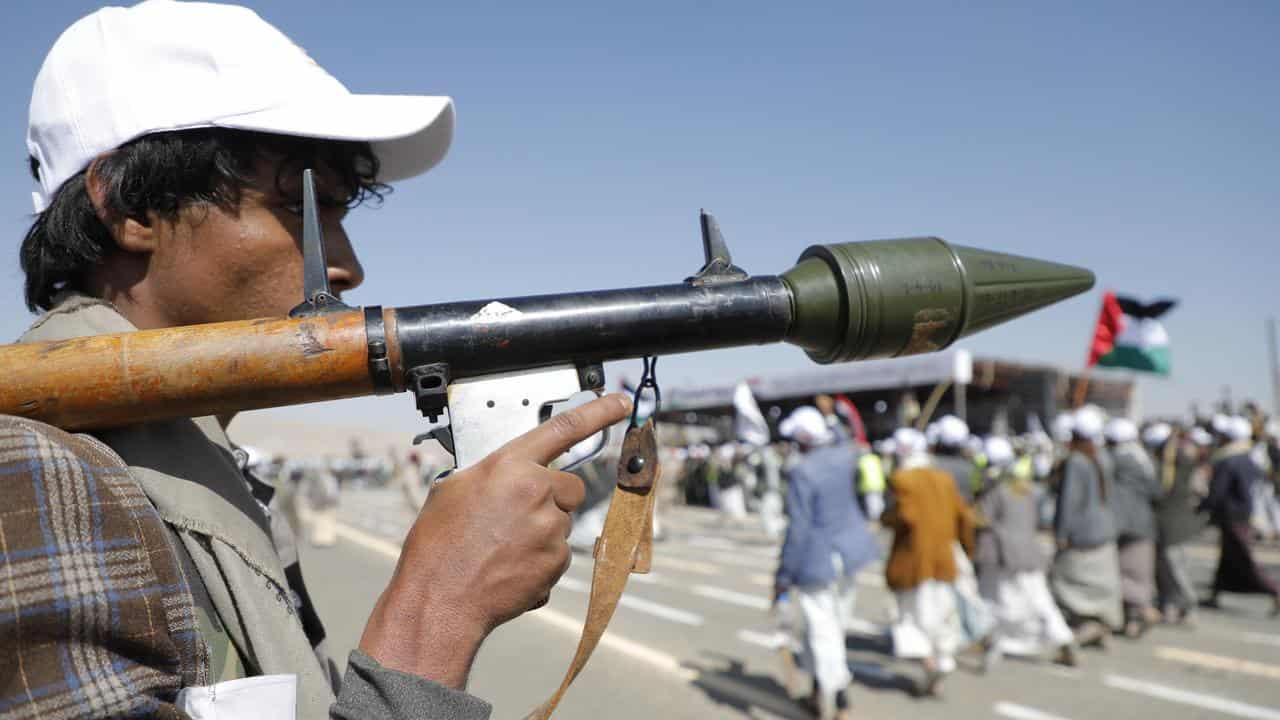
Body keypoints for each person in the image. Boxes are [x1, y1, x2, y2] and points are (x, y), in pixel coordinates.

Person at [3, 3, 633, 717]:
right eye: (302, 208)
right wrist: (434, 613)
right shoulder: (33, 470)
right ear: (131, 208)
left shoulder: (177, 457)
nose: (346, 267)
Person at [774, 407, 878, 719]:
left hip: (817, 562)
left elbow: (798, 528)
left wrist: (783, 574)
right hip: (849, 555)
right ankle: (822, 693)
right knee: (834, 628)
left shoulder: (802, 470)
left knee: (823, 633)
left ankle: (840, 701)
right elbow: (847, 436)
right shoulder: (845, 455)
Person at [883, 428, 975, 696]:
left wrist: (888, 517)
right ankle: (942, 659)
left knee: (914, 616)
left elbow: (906, 516)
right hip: (943, 558)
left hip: (914, 559)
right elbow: (964, 517)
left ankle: (930, 661)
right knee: (942, 613)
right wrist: (967, 548)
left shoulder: (903, 479)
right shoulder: (944, 479)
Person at [975, 436, 1077, 668]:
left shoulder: (996, 490)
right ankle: (1064, 638)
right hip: (1030, 553)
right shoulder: (1025, 488)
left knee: (990, 601)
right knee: (1040, 600)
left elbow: (982, 519)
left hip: (1002, 555)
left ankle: (992, 645)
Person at [1049, 406, 1123, 648]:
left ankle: (1085, 629)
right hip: (1104, 533)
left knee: (1063, 584)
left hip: (1082, 537)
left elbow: (1069, 502)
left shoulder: (1076, 461)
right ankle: (1099, 627)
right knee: (1098, 588)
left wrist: (1061, 534)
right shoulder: (1104, 457)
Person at [1200, 416, 1280, 614]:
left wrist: (1204, 507)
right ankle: (1215, 594)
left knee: (1245, 559)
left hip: (1233, 516)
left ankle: (1276, 591)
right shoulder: (1250, 458)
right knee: (1227, 559)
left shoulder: (1228, 460)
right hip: (1244, 515)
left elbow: (1218, 492)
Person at [1105, 418, 1162, 637]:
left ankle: (1144, 612)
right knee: (1140, 576)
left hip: (1126, 528)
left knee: (1121, 575)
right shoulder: (1145, 459)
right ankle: (1133, 621)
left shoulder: (1118, 460)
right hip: (1145, 526)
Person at [1153, 426, 1207, 625]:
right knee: (1165, 571)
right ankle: (1170, 606)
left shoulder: (1180, 466)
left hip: (1174, 527)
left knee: (1176, 570)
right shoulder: (1164, 466)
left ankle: (1189, 604)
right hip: (1167, 526)